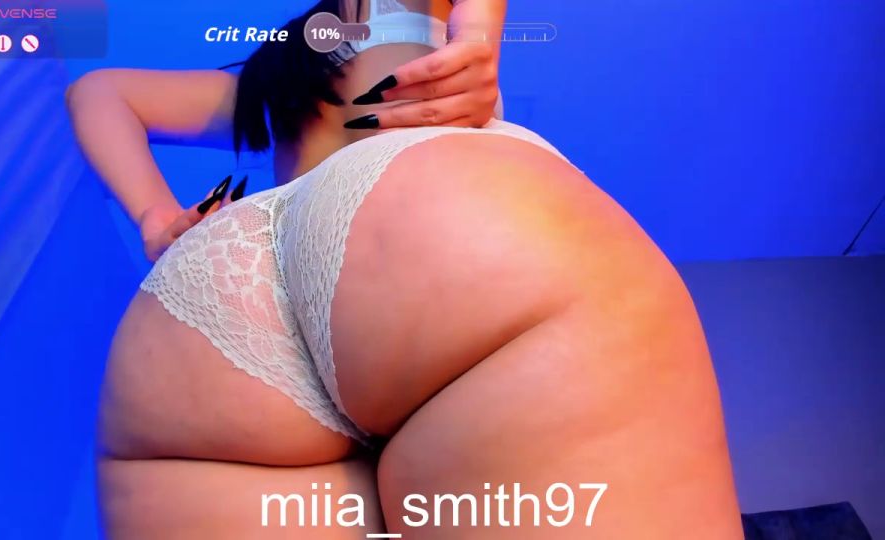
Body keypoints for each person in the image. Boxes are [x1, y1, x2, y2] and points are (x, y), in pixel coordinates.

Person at [67, 0, 744, 538]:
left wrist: (156, 219)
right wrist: (478, 32)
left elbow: (99, 92)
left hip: (216, 295)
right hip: (408, 222)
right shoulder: (398, 14)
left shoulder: (276, 81)